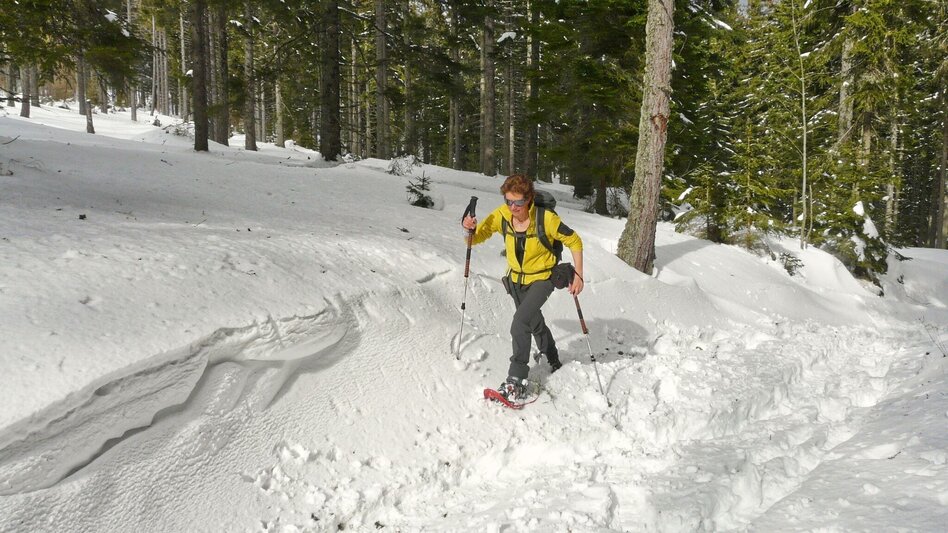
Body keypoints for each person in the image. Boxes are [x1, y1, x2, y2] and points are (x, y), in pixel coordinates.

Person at [462, 174, 584, 401]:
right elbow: (476, 237)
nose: (512, 207)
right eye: (508, 201)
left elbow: (574, 241)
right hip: (516, 281)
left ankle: (516, 380)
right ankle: (553, 357)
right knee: (533, 322)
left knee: (519, 322)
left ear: (529, 199)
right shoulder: (502, 216)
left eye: (518, 202)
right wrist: (468, 228)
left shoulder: (545, 219)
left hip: (542, 279)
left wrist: (579, 275)